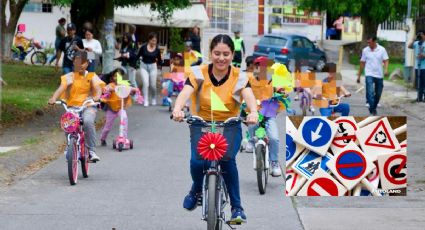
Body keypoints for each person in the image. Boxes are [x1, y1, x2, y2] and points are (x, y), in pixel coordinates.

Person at [172, 34, 258, 223]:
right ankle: (196, 189)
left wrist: (253, 112)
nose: (221, 58)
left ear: (232, 54)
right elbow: (185, 92)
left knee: (227, 161)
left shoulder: (239, 75)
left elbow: (249, 95)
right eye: (217, 53)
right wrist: (177, 109)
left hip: (230, 126)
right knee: (197, 162)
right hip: (201, 124)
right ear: (210, 53)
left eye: (226, 54)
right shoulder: (198, 73)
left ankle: (237, 207)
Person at [48, 51, 103, 162]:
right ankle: (70, 145)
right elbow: (61, 89)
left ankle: (91, 151)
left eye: (83, 62)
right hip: (72, 106)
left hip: (88, 105)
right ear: (73, 63)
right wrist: (53, 98)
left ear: (87, 63)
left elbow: (98, 89)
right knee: (68, 121)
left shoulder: (92, 76)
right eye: (78, 62)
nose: (80, 65)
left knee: (87, 121)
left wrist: (96, 97)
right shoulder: (68, 77)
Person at [245, 56, 282, 176]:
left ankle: (274, 162)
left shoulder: (274, 81)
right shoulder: (249, 80)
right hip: (253, 112)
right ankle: (251, 140)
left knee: (274, 138)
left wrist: (281, 100)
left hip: (269, 114)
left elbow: (282, 96)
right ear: (255, 68)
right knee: (251, 124)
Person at [100, 68, 140, 146]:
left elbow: (131, 91)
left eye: (119, 76)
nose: (117, 78)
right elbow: (105, 89)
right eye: (115, 76)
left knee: (124, 118)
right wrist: (109, 89)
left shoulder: (125, 85)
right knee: (107, 127)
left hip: (120, 108)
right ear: (112, 77)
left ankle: (124, 138)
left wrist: (134, 90)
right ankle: (103, 138)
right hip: (111, 109)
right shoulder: (111, 85)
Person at [357, 36, 389, 115]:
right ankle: (372, 109)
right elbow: (362, 63)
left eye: (370, 42)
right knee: (370, 92)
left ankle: (373, 107)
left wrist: (386, 70)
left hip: (379, 74)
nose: (368, 44)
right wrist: (359, 76)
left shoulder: (382, 49)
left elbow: (386, 60)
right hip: (369, 73)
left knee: (378, 93)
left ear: (375, 42)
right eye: (367, 42)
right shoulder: (365, 50)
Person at [137, 32, 162, 107]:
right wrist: (134, 65)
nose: (154, 42)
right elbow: (137, 56)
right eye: (153, 40)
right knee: (145, 83)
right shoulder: (143, 47)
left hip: (153, 67)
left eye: (155, 40)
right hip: (143, 66)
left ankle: (153, 98)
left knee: (153, 85)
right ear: (149, 40)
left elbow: (160, 60)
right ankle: (146, 100)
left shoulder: (157, 49)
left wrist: (161, 68)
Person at [408, 31, 425, 102]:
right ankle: (419, 97)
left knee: (424, 82)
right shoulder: (416, 43)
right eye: (419, 35)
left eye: (421, 35)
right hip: (417, 67)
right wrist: (413, 39)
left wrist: (423, 55)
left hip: (424, 67)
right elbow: (409, 46)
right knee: (419, 83)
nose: (420, 36)